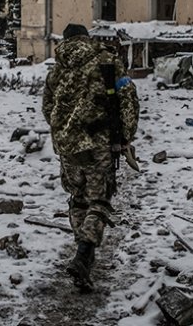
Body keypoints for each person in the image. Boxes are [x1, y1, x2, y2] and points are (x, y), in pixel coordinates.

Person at [42, 23, 139, 290]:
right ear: (87, 38)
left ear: (66, 41)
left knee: (78, 199)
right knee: (99, 200)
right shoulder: (107, 61)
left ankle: (83, 258)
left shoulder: (57, 70)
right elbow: (128, 98)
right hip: (98, 144)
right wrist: (126, 135)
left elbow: (48, 108)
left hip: (67, 147)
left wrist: (64, 130)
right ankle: (84, 254)